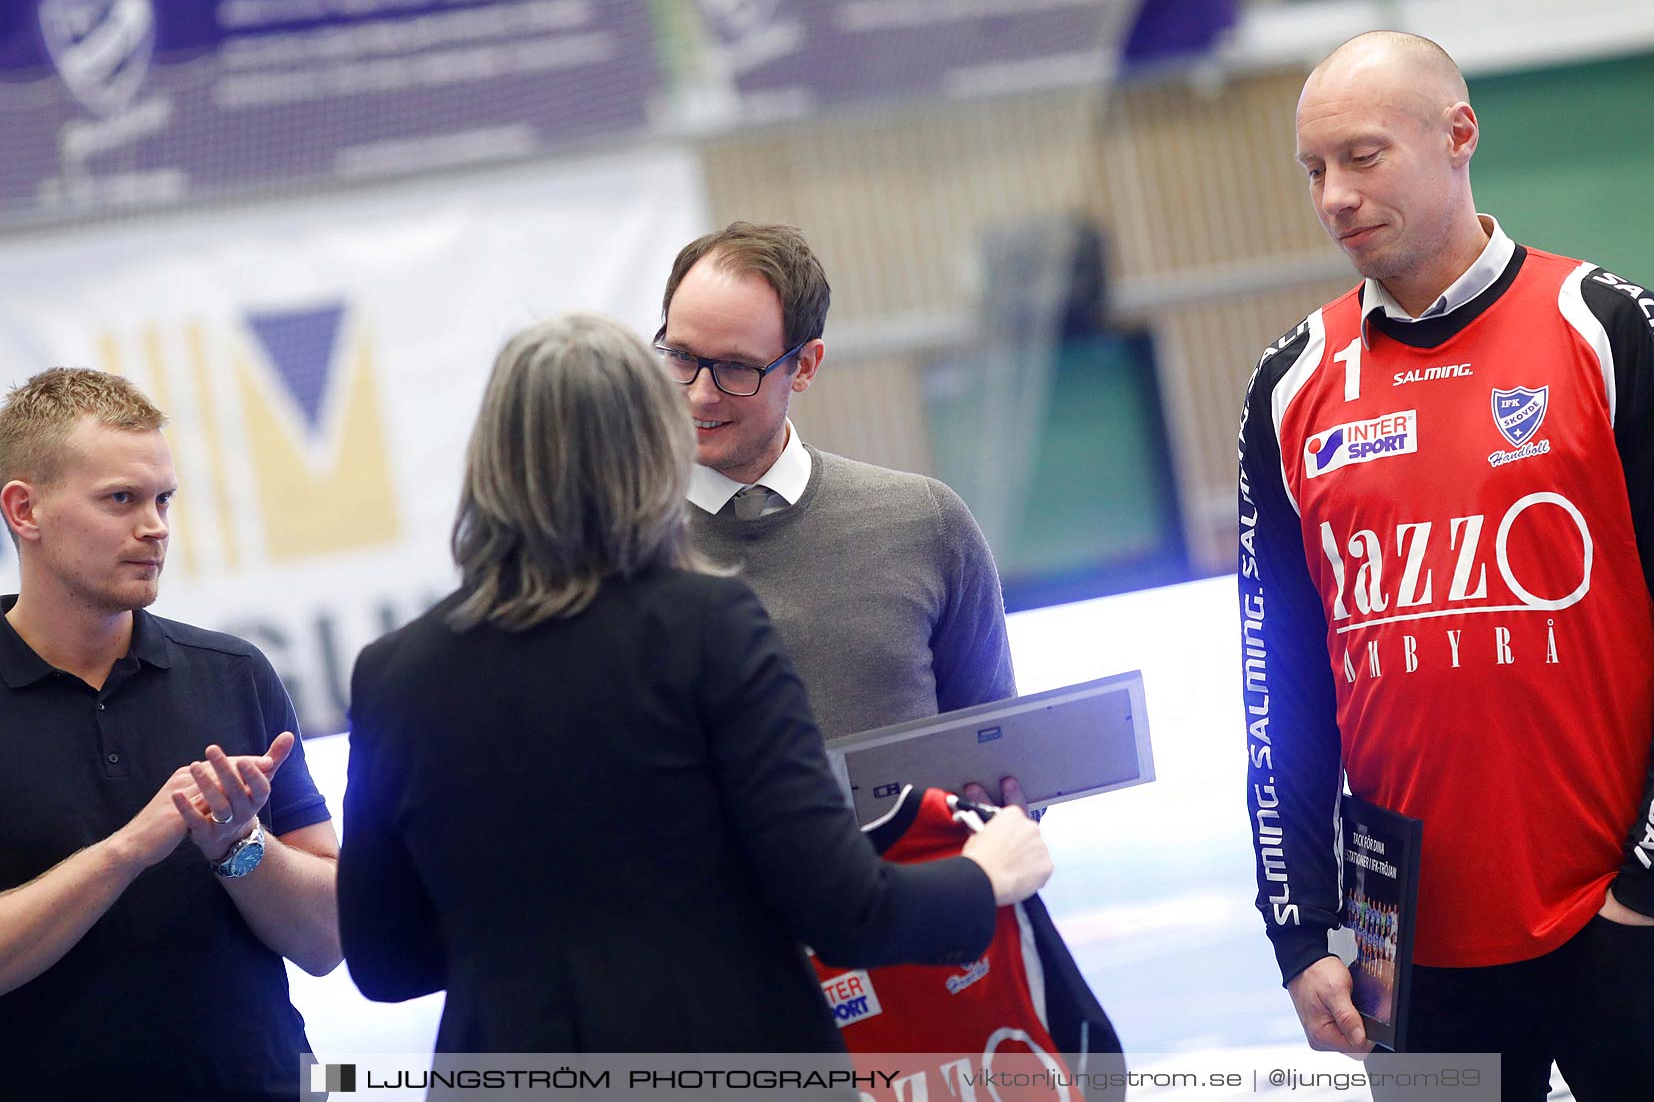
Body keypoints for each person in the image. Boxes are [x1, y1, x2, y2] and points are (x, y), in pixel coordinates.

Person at [1237, 31, 1654, 1100]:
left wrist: (1651, 889)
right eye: (1313, 171)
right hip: (1405, 955)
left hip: (1616, 924)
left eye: (1364, 157)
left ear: (1459, 135)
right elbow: (1276, 680)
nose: (1334, 196)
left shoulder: (1606, 326)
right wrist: (1297, 930)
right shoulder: (1291, 384)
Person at [337, 313, 1053, 1054]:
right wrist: (984, 874)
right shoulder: (707, 627)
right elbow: (841, 906)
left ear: (489, 459)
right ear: (652, 450)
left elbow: (386, 963)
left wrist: (531, 948)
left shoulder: (395, 675)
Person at [0, 367, 342, 1099]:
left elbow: (328, 942)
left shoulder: (233, 673)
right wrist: (128, 850)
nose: (154, 526)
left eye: (163, 500)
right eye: (120, 499)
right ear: (25, 510)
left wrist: (238, 847)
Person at [658, 222, 1023, 806]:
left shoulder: (924, 525)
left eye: (735, 368)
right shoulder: (615, 556)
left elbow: (1003, 764)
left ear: (804, 366)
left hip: (923, 891)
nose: (701, 393)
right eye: (681, 357)